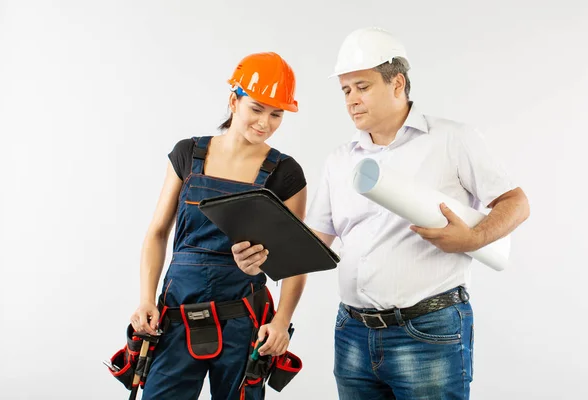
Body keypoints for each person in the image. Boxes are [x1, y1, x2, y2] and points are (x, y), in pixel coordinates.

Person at [304, 27, 530, 399]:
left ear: (397, 83)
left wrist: (473, 238)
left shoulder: (451, 140)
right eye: (345, 91)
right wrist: (265, 254)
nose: (352, 100)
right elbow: (317, 241)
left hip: (427, 332)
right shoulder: (339, 161)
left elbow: (516, 202)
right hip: (352, 334)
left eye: (362, 87)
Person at [129, 52, 308, 400]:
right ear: (233, 101)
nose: (265, 123)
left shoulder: (286, 173)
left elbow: (295, 258)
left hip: (243, 320)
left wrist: (282, 321)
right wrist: (145, 299)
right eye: (256, 108)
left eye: (277, 114)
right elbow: (157, 233)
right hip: (176, 314)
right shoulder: (188, 154)